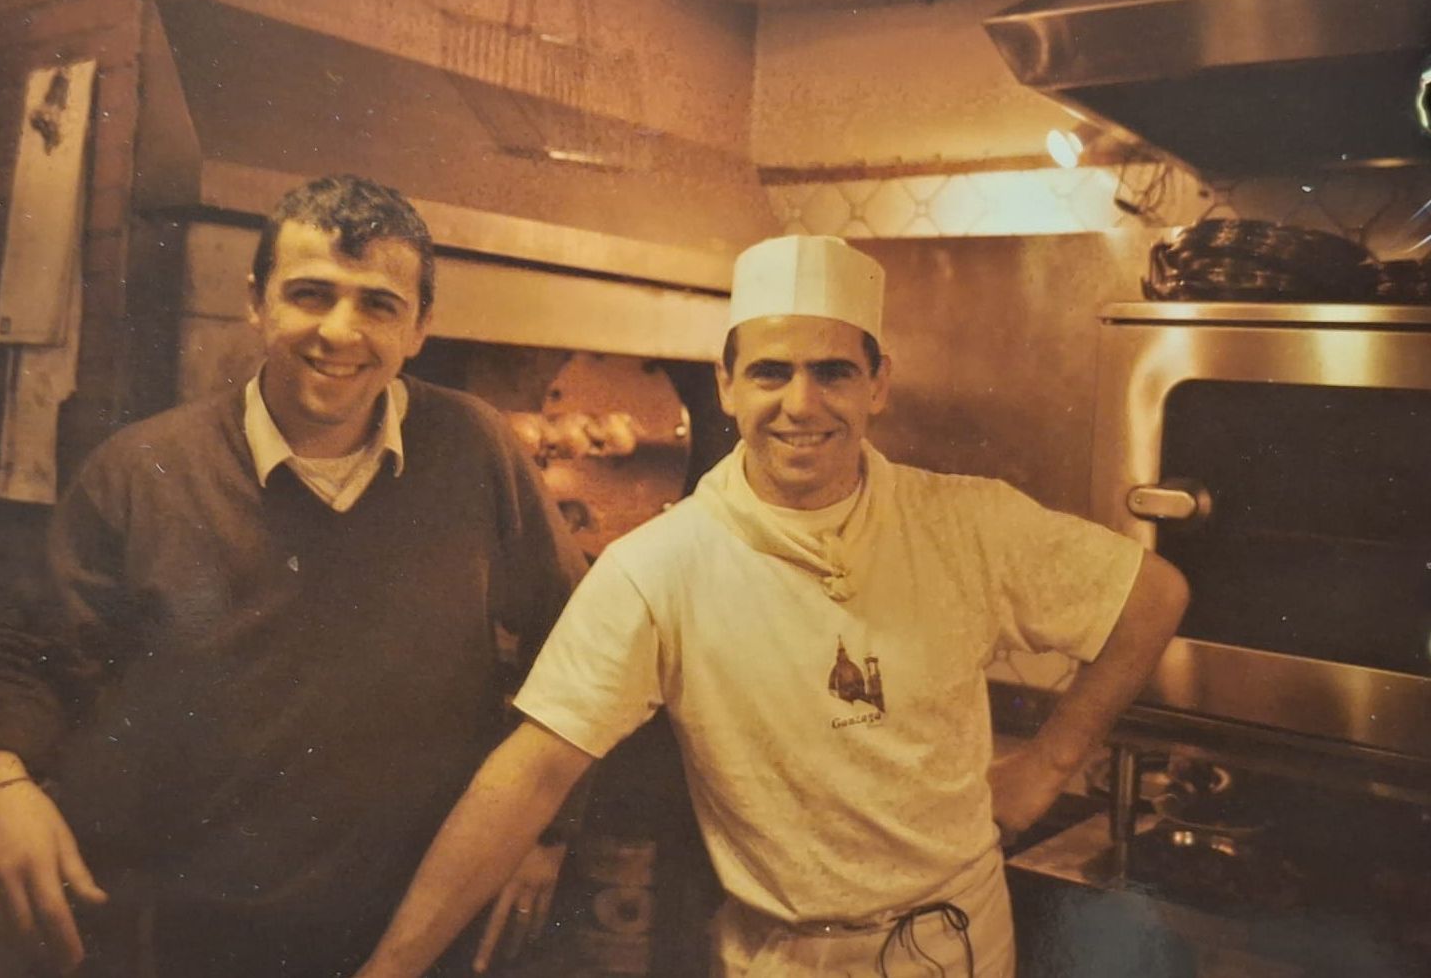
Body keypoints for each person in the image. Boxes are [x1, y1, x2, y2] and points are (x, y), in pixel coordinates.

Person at [355, 234, 1189, 977]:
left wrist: (1048, 764)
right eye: (770, 372)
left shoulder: (965, 522)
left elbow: (1152, 594)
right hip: (777, 958)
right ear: (726, 386)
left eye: (833, 372)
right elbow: (532, 770)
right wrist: (390, 970)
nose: (801, 404)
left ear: (878, 384)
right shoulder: (662, 566)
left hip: (956, 945)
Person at [0, 176, 586, 977]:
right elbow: (18, 654)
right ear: (257, 302)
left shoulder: (476, 447)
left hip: (419, 931)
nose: (339, 331)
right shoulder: (142, 471)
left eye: (378, 304)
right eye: (310, 294)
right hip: (196, 941)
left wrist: (543, 832)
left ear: (420, 327)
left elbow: (581, 650)